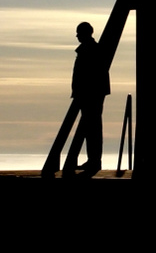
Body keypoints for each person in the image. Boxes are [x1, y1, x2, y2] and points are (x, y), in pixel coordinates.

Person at [42, 22, 108, 178]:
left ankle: (94, 160)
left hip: (89, 94)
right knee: (92, 128)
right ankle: (93, 160)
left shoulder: (89, 50)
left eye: (79, 33)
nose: (77, 36)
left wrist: (82, 91)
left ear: (85, 33)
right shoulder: (91, 49)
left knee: (92, 128)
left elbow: (88, 74)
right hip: (91, 93)